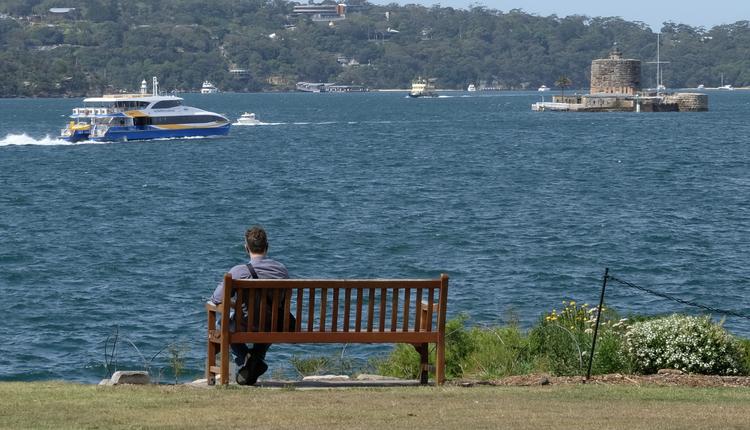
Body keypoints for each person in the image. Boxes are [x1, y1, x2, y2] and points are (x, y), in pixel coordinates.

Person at [211, 226, 291, 385]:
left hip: (246, 325)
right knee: (268, 324)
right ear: (267, 246)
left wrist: (235, 305)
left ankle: (244, 360)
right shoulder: (281, 270)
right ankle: (256, 359)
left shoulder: (238, 271)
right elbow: (285, 298)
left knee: (222, 323)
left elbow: (216, 299)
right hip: (274, 324)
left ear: (246, 248)